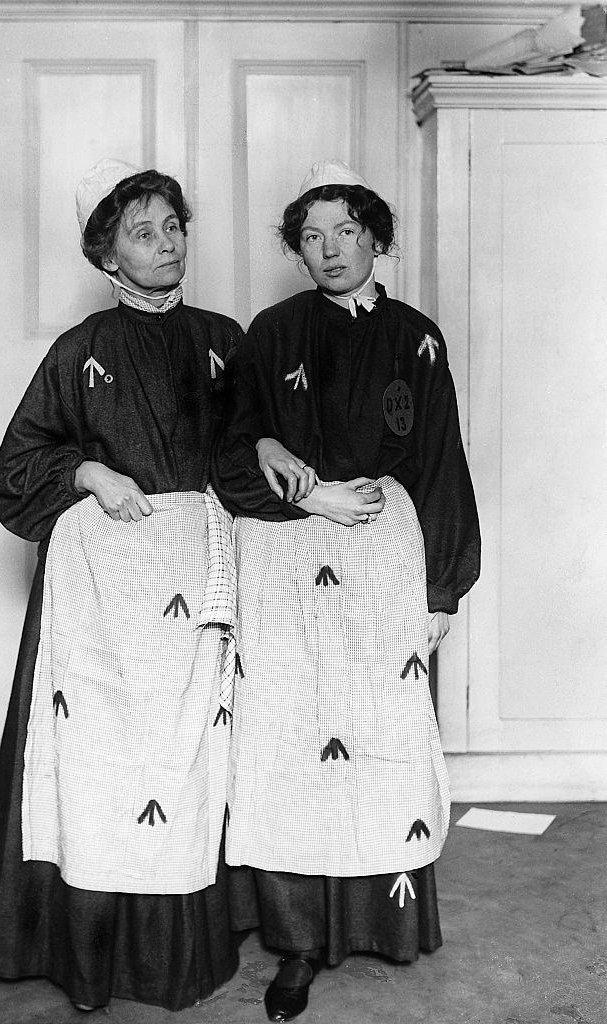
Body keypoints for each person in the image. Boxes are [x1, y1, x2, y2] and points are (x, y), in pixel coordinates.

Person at [0, 159, 244, 1013]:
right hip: (102, 595)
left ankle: (177, 959)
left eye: (173, 227)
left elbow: (257, 455)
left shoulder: (228, 341)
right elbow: (15, 471)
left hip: (196, 583)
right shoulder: (78, 351)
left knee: (188, 760)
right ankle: (88, 955)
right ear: (107, 259)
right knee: (97, 767)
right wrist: (88, 471)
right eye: (142, 233)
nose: (165, 245)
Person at [212, 160, 480, 1022]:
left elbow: (439, 460)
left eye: (345, 232)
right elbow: (232, 444)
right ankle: (295, 944)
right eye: (311, 237)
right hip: (286, 552)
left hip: (383, 555)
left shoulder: (417, 336)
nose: (328, 250)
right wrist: (298, 483)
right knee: (287, 737)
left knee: (379, 733)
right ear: (297, 249)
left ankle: (380, 924)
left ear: (375, 238)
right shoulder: (271, 331)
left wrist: (444, 588)